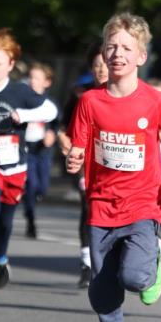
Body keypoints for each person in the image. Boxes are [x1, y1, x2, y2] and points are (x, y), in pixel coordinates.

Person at [66, 13, 161, 322]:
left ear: (141, 56)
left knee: (135, 279)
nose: (117, 53)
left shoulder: (155, 100)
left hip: (144, 203)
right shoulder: (90, 101)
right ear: (103, 52)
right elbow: (79, 145)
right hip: (101, 206)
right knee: (102, 295)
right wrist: (73, 159)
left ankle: (152, 261)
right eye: (111, 46)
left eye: (126, 48)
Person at [0, 29, 56, 292]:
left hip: (15, 165)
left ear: (11, 65)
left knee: (5, 220)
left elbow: (50, 110)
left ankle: (0, 257)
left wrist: (24, 116)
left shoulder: (20, 92)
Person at [57, 43, 109, 287]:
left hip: (112, 164)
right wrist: (63, 140)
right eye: (96, 65)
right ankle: (87, 263)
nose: (101, 70)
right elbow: (62, 125)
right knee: (89, 207)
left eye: (105, 64)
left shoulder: (121, 96)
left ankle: (108, 259)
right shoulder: (81, 94)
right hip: (84, 162)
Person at [22, 62, 58, 238]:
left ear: (47, 82)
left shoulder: (50, 103)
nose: (32, 81)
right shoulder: (22, 100)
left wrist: (52, 133)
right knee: (31, 184)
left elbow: (58, 123)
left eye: (37, 78)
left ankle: (34, 198)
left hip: (43, 149)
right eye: (30, 77)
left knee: (42, 187)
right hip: (26, 148)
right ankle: (30, 220)